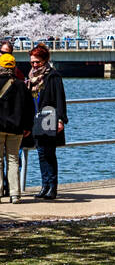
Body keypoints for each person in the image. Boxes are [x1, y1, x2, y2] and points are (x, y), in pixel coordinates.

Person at [22, 44, 67, 200]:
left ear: (45, 60)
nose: (35, 65)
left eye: (37, 62)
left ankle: (52, 187)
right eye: (32, 62)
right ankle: (44, 185)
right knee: (41, 153)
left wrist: (61, 120)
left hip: (49, 118)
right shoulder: (31, 77)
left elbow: (60, 99)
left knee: (49, 153)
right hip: (35, 119)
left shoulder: (53, 76)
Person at [0, 52, 33, 203]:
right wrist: (27, 126)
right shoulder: (21, 85)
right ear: (14, 67)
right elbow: (29, 108)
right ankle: (15, 194)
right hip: (16, 128)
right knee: (13, 159)